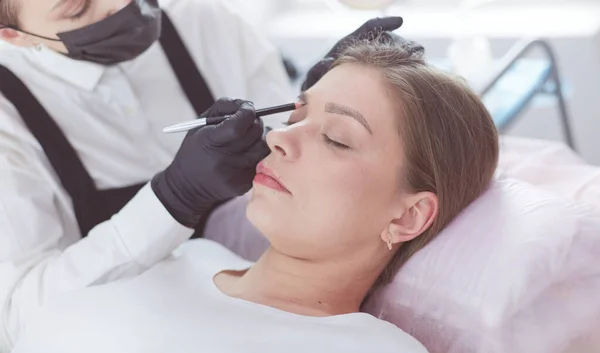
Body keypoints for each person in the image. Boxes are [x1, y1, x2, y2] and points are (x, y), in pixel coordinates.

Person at [10, 35, 499, 353]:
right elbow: (23, 321)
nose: (279, 137)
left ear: (409, 216)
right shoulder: (188, 255)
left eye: (335, 138)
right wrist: (174, 195)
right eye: (293, 117)